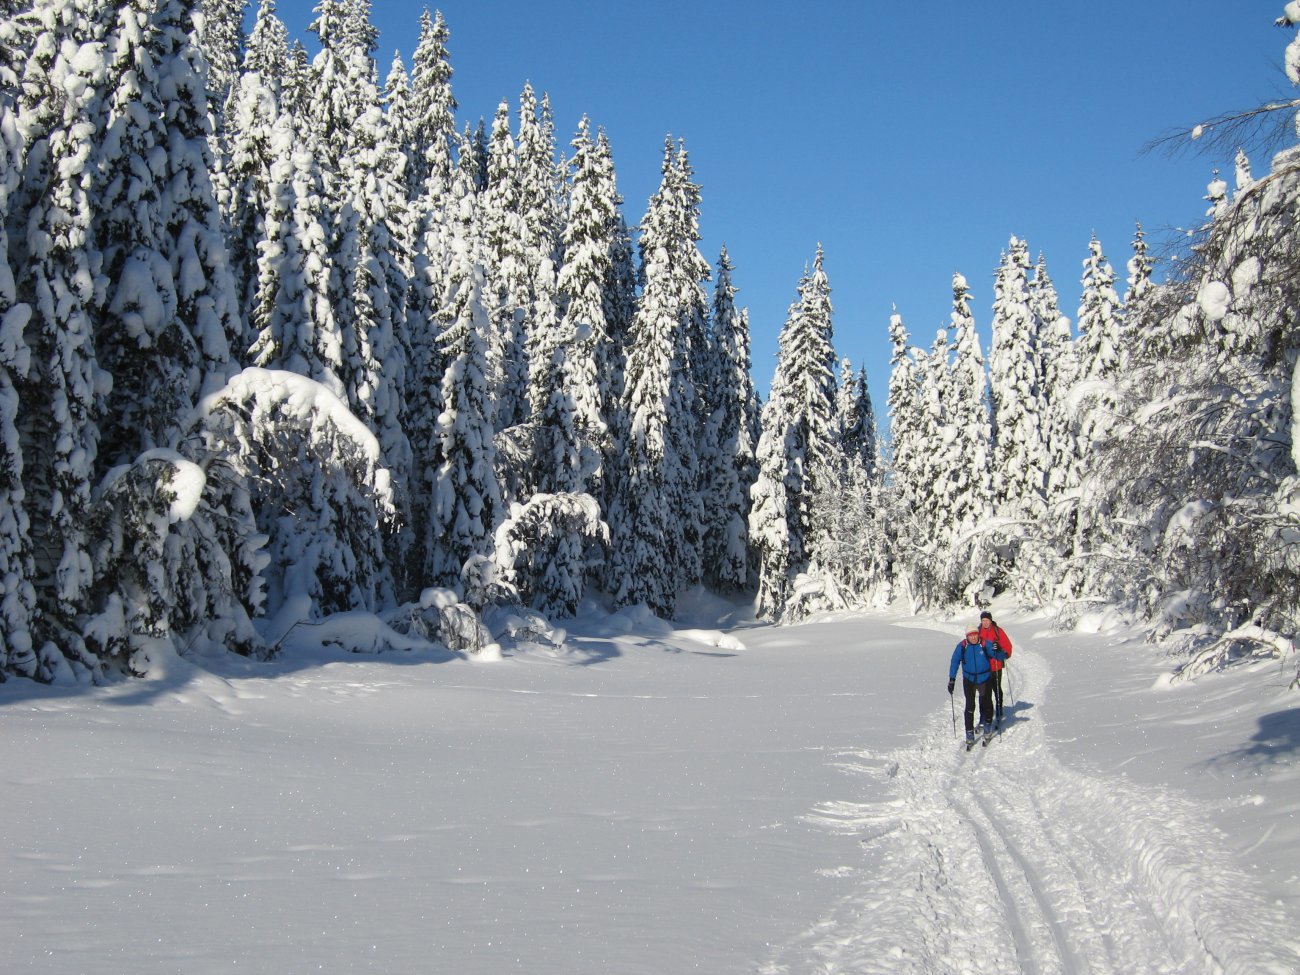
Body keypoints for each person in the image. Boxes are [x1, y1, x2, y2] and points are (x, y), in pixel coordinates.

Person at [948, 628, 1007, 747]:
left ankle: (987, 727)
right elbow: (955, 661)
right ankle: (969, 733)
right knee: (970, 706)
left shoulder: (986, 644)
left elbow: (1001, 657)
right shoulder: (962, 646)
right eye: (970, 635)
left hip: (984, 678)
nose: (973, 637)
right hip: (969, 680)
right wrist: (952, 679)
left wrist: (999, 650)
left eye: (975, 634)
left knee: (987, 704)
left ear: (978, 634)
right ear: (967, 636)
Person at [977, 610, 1013, 728]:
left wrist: (1001, 651)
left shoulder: (998, 631)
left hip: (996, 665)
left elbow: (1008, 646)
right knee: (984, 692)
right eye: (983, 621)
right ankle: (986, 713)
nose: (985, 623)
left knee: (996, 689)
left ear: (991, 620)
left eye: (987, 620)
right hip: (983, 667)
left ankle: (998, 710)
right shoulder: (978, 632)